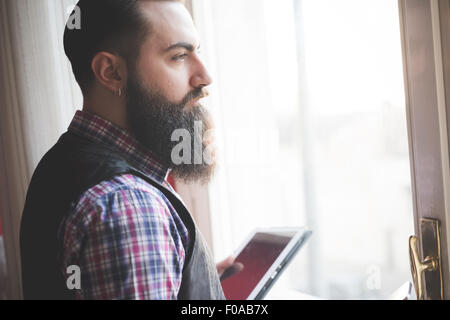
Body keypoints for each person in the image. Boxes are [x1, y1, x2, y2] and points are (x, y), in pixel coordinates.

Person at [20, 0, 239, 300]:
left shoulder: (62, 161)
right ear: (111, 72)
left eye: (197, 52)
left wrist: (185, 283)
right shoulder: (129, 205)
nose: (204, 76)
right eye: (178, 56)